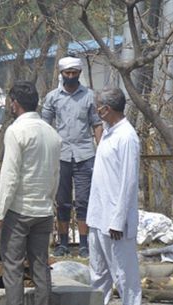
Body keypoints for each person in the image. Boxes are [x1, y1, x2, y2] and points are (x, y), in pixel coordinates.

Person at [0, 82, 61, 305]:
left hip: (19, 211)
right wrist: (49, 204)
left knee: (14, 272)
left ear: (14, 103)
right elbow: (55, 176)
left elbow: (9, 177)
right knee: (41, 272)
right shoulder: (52, 134)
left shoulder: (16, 131)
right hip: (43, 211)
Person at [86, 87, 142, 305]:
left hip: (114, 218)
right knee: (99, 270)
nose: (96, 110)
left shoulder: (127, 137)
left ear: (106, 109)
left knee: (123, 269)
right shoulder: (109, 134)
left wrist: (118, 220)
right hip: (98, 214)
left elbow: (128, 182)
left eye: (98, 106)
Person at [42, 56, 103, 258]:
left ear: (79, 73)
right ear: (61, 74)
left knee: (84, 201)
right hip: (61, 156)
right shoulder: (52, 97)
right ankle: (63, 242)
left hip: (85, 155)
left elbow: (96, 124)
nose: (70, 76)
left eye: (74, 73)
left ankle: (85, 244)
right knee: (62, 201)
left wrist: (101, 150)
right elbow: (44, 126)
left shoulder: (89, 97)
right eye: (67, 73)